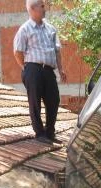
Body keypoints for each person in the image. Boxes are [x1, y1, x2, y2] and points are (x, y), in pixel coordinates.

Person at [14, 0, 67, 144]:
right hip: (33, 69)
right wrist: (25, 67)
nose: (45, 9)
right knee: (35, 101)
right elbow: (18, 51)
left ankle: (50, 133)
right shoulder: (25, 29)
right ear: (32, 8)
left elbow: (57, 51)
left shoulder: (50, 29)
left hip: (48, 70)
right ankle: (40, 133)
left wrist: (60, 69)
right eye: (42, 6)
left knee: (54, 100)